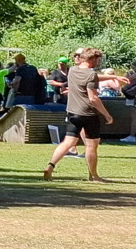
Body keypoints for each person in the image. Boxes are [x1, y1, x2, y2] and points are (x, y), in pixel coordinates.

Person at [45, 46, 111, 182]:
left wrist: (113, 76)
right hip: (88, 113)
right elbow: (93, 98)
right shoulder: (91, 75)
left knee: (68, 142)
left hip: (72, 112)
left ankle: (50, 166)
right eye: (97, 60)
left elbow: (91, 78)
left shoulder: (72, 71)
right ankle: (93, 175)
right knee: (91, 145)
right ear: (92, 59)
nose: (98, 63)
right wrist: (106, 115)